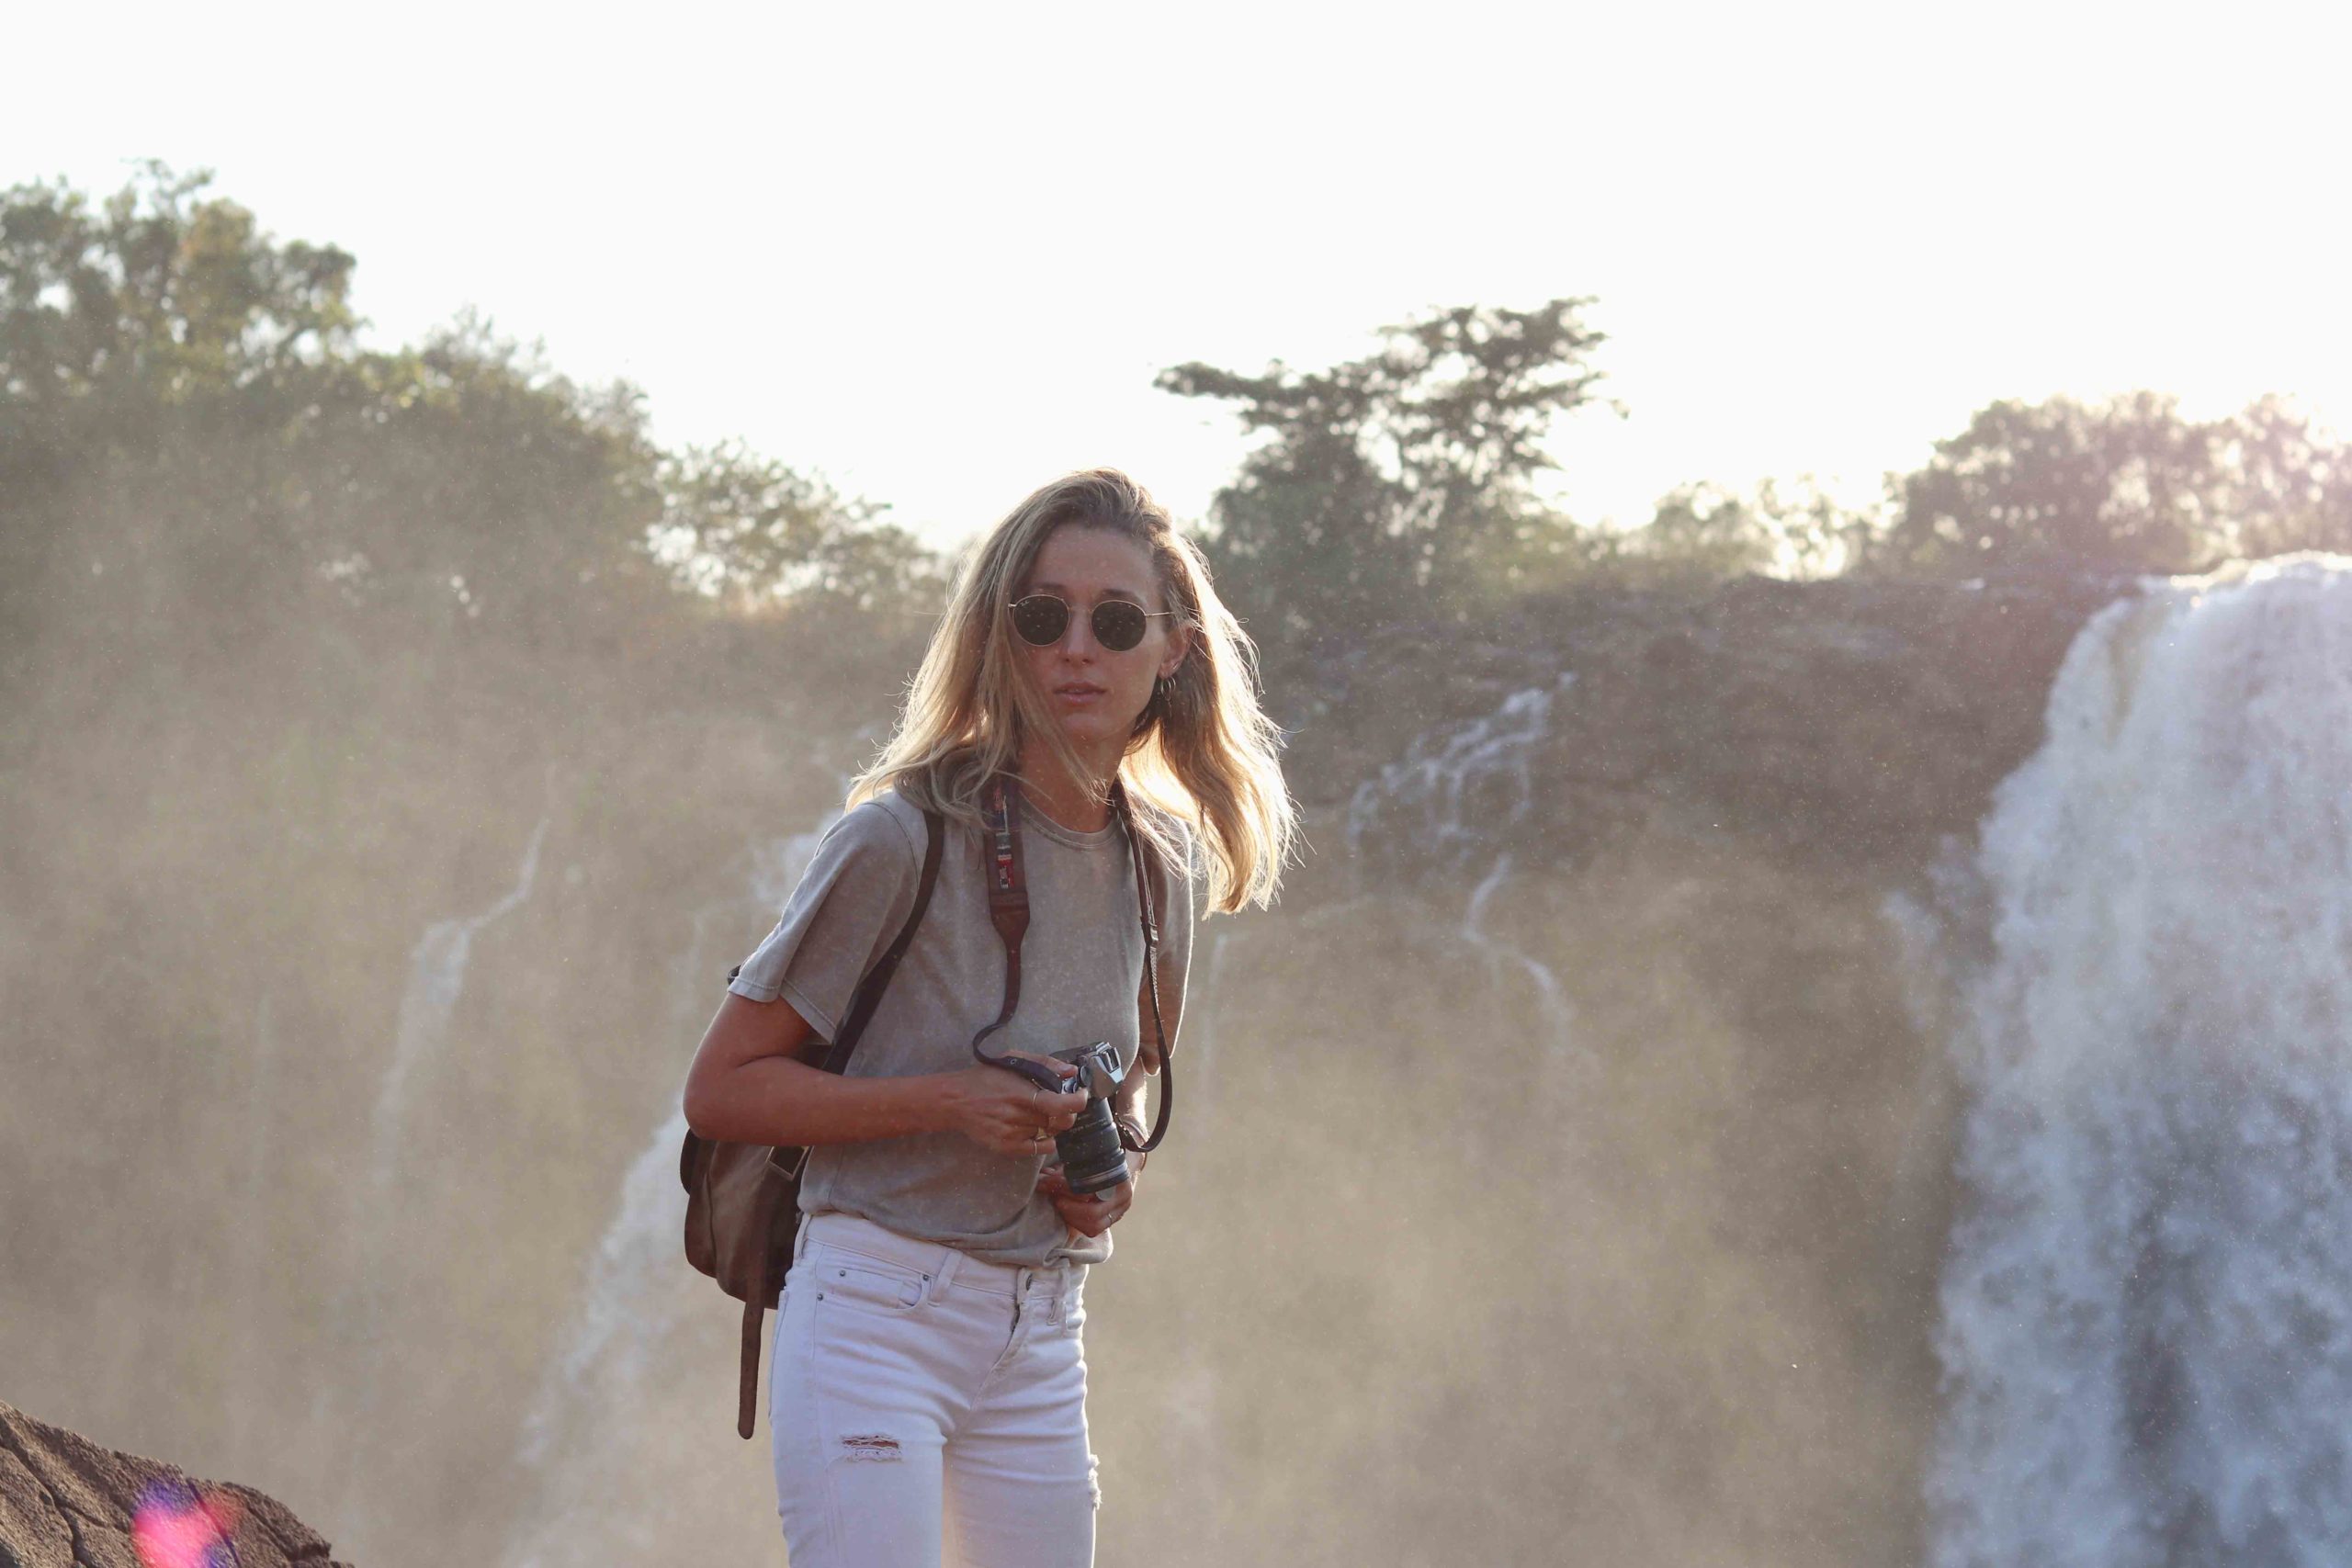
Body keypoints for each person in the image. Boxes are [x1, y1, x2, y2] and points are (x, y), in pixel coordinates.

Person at [681, 468, 1294, 1568]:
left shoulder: (1161, 872)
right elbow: (722, 1088)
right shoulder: (897, 840)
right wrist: (950, 1103)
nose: (1076, 648)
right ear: (997, 634)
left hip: (1041, 1330)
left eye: (1114, 622)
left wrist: (1104, 1183)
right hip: (874, 1309)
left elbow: (1130, 1094)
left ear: (1172, 650)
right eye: (1041, 615)